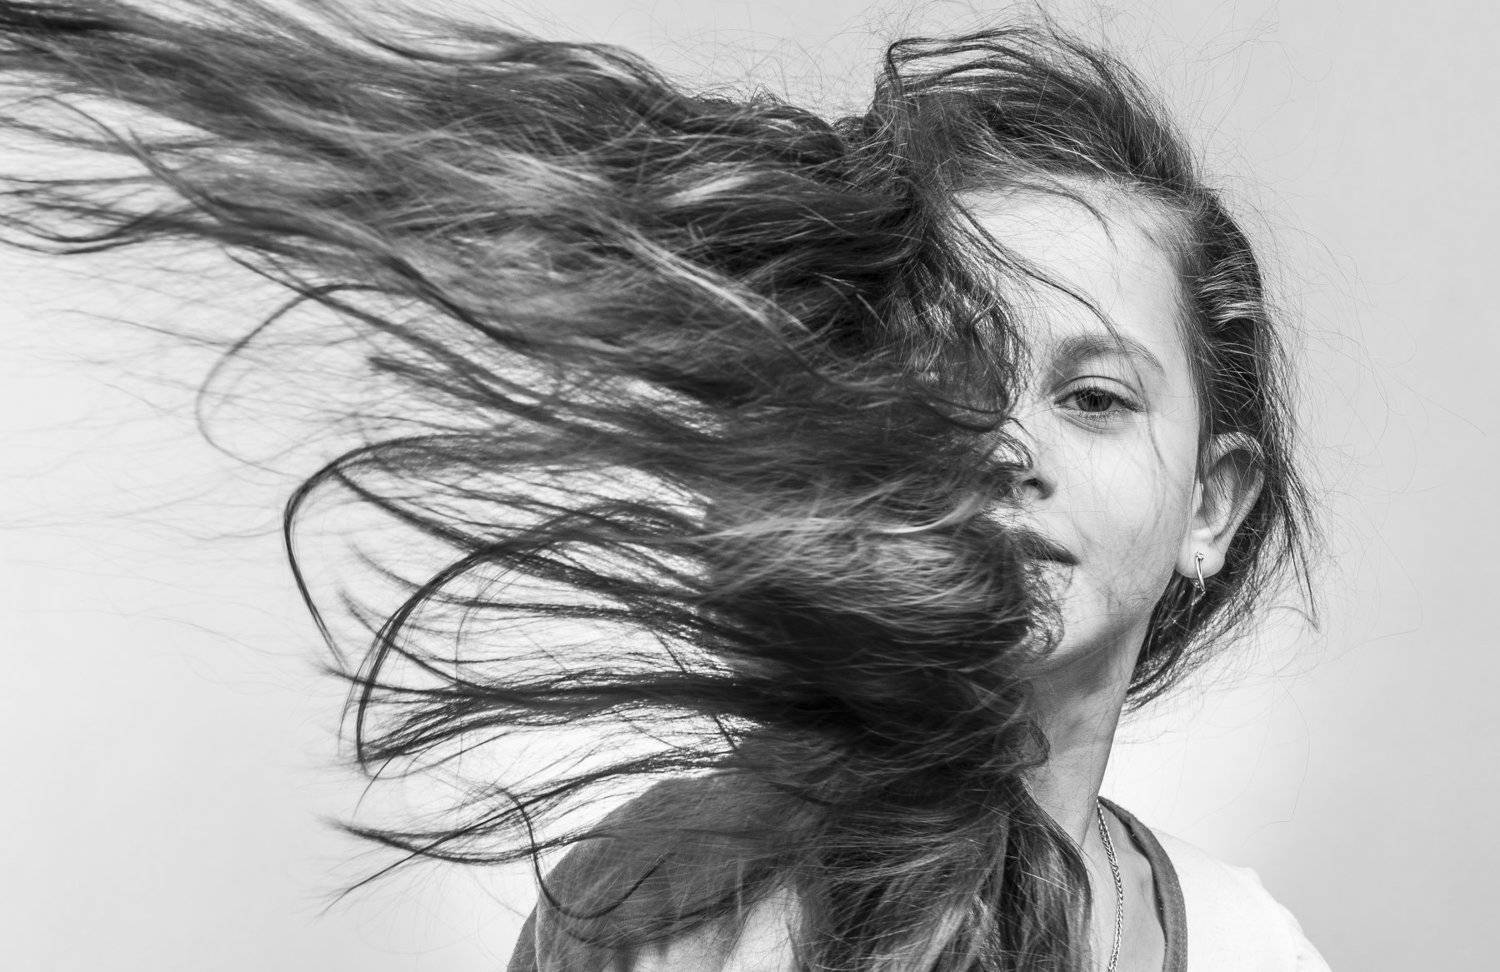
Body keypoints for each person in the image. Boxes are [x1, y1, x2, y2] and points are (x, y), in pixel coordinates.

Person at [0, 1, 1329, 969]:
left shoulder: (1247, 944)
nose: (1007, 445)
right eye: (945, 381)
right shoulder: (664, 905)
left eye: (1094, 399)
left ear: (1211, 505)